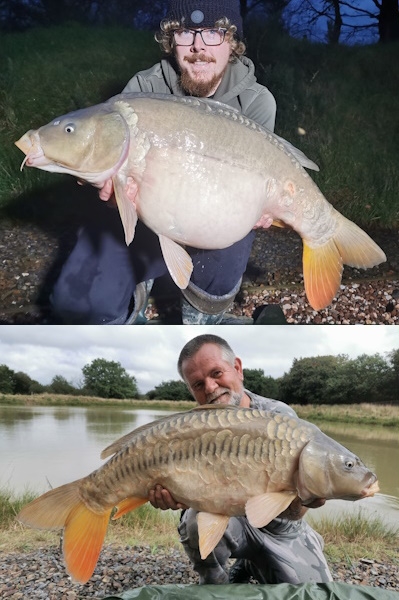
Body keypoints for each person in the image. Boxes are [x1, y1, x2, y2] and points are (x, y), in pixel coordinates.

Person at [51, 0, 277, 325]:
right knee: (77, 303)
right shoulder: (142, 90)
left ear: (233, 42)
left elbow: (259, 188)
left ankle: (201, 320)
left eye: (213, 32)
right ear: (172, 41)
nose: (198, 46)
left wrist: (265, 206)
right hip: (146, 226)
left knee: (239, 223)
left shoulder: (256, 102)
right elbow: (112, 174)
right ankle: (136, 294)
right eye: (186, 32)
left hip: (214, 227)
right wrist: (114, 194)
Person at [149, 334, 333, 585]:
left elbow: (292, 515)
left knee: (314, 593)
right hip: (230, 524)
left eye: (216, 373)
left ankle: (254, 562)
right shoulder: (190, 430)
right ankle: (214, 580)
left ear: (237, 368)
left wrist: (308, 497)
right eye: (198, 385)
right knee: (193, 521)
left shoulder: (279, 418)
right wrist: (174, 495)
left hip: (279, 530)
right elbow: (183, 493)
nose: (211, 388)